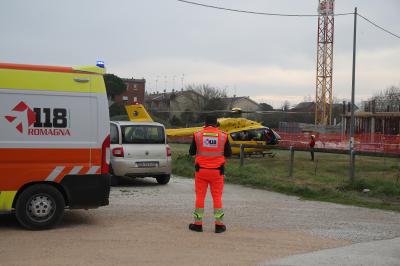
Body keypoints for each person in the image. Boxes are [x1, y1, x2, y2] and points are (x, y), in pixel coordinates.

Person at [188, 115, 232, 233]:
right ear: (216, 124)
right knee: (217, 197)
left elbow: (191, 152)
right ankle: (219, 225)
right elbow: (228, 154)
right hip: (217, 172)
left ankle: (198, 224)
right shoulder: (223, 136)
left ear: (205, 124)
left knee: (200, 197)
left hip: (201, 171)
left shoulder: (197, 135)